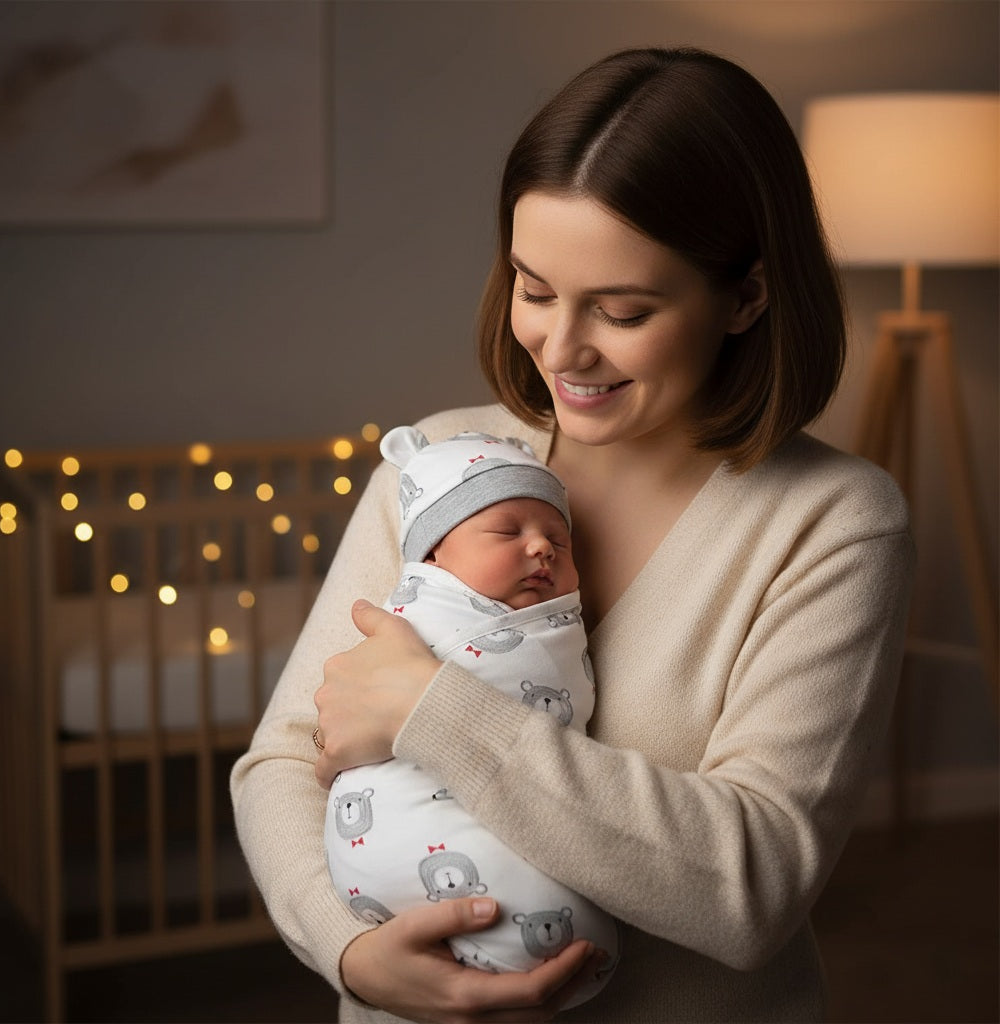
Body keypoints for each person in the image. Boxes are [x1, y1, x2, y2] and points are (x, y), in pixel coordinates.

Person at [232, 46, 914, 1023]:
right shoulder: (436, 466)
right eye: (534, 288)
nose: (561, 347)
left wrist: (438, 713)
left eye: (622, 310)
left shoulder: (834, 525)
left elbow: (754, 880)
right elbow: (282, 759)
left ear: (747, 296)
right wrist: (349, 954)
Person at [323, 426, 619, 1008]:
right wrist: (350, 956)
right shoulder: (419, 608)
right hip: (388, 829)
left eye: (559, 541)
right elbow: (289, 749)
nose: (542, 549)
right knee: (578, 927)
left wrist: (416, 703)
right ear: (433, 556)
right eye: (508, 531)